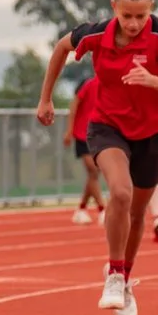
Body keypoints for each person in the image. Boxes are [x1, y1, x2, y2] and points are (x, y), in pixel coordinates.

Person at [34, 0, 158, 315]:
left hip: (153, 132)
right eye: (127, 15)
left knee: (137, 213)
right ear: (113, 7)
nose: (134, 24)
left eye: (141, 15)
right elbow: (61, 47)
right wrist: (46, 99)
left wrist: (153, 80)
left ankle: (126, 275)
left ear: (150, 10)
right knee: (119, 192)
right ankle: (115, 276)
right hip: (109, 126)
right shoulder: (96, 33)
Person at [66, 73, 104, 223]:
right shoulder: (90, 84)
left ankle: (81, 208)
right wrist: (69, 130)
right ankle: (102, 209)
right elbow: (75, 103)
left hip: (100, 135)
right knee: (93, 171)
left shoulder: (112, 85)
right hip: (82, 134)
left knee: (93, 175)